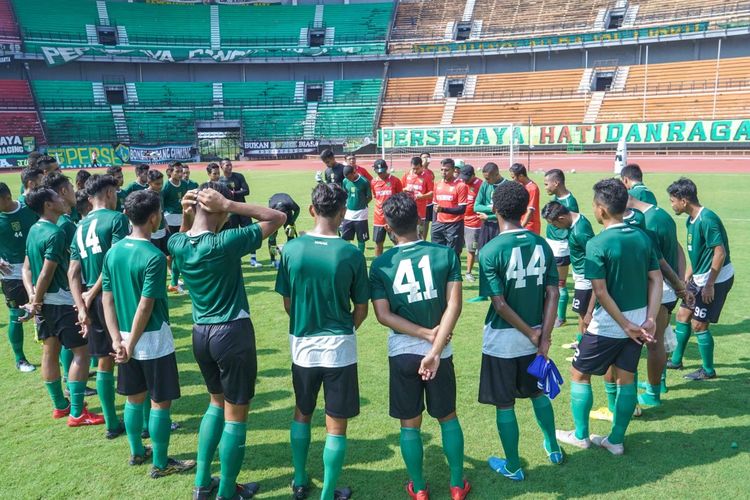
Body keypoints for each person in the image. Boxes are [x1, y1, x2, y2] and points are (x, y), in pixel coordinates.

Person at [171, 182, 284, 500]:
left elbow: (183, 237)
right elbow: (277, 217)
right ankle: (225, 492)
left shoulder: (177, 242)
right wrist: (230, 205)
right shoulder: (226, 242)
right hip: (231, 333)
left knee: (215, 404)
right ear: (218, 209)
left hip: (200, 334)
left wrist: (187, 215)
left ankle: (201, 483)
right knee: (236, 415)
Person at [369, 193, 470, 500]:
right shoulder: (445, 254)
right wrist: (435, 346)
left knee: (410, 424)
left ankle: (420, 488)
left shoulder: (381, 264)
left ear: (387, 226)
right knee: (447, 416)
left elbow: (383, 315)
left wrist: (424, 334)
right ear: (420, 220)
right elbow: (455, 305)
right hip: (440, 352)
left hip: (402, 352)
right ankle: (456, 485)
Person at [275, 183, 369, 500]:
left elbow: (288, 303)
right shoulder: (351, 253)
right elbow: (361, 309)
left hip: (302, 345)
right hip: (339, 348)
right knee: (336, 425)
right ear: (343, 213)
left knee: (302, 412)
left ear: (313, 210)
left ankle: (300, 481)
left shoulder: (291, 250)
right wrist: (343, 328)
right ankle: (328, 493)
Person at [556, 178, 662, 456]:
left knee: (579, 374)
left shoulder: (597, 243)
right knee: (627, 378)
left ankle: (581, 436)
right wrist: (649, 318)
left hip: (610, 325)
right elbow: (656, 279)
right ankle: (615, 440)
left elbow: (600, 292)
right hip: (640, 322)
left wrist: (624, 324)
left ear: (601, 209)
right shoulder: (641, 236)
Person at [102, 189, 195, 476]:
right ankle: (161, 462)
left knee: (133, 399)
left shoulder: (113, 251)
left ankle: (136, 452)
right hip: (152, 339)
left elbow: (107, 298)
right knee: (159, 402)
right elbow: (145, 305)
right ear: (154, 217)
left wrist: (118, 339)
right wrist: (131, 343)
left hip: (124, 337)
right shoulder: (154, 256)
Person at [478, 181, 562, 481]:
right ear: (525, 209)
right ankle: (553, 446)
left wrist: (530, 333)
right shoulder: (541, 243)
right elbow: (553, 293)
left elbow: (499, 304)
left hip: (504, 339)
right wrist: (544, 336)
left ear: (495, 209)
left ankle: (513, 465)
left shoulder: (490, 251)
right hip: (537, 337)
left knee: (505, 403)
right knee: (538, 393)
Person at [22, 187, 105, 426]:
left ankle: (60, 406)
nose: (62, 198)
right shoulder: (56, 233)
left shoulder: (33, 230)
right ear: (48, 205)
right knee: (82, 351)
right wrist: (36, 301)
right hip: (60, 302)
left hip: (44, 304)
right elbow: (47, 272)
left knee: (50, 351)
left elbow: (28, 269)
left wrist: (33, 299)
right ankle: (78, 413)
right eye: (56, 197)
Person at [68, 174, 130, 439]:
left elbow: (72, 271)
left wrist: (81, 304)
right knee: (130, 357)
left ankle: (111, 423)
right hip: (114, 297)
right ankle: (145, 423)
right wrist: (92, 295)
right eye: (115, 192)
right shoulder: (117, 219)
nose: (117, 196)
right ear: (107, 193)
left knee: (104, 361)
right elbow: (113, 262)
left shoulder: (79, 226)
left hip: (89, 300)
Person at [667, 177, 734, 381]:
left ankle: (708, 370)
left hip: (716, 279)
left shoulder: (707, 219)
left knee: (699, 324)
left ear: (684, 200)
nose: (672, 205)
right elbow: (698, 255)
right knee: (681, 316)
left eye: (672, 200)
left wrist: (709, 285)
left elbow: (719, 253)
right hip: (700, 278)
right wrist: (688, 278)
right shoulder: (691, 220)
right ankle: (677, 360)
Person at [627, 196, 688, 405]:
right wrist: (680, 279)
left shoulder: (645, 223)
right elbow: (677, 247)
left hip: (659, 290)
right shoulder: (662, 215)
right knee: (659, 340)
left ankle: (653, 394)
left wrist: (679, 285)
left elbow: (659, 261)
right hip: (668, 289)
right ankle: (658, 383)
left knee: (653, 344)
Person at [541, 202, 595, 350]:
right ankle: (581, 342)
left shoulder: (579, 232)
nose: (555, 228)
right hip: (580, 274)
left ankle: (585, 347)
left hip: (586, 277)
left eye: (554, 224)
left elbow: (594, 254)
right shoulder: (575, 222)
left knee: (585, 313)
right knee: (581, 312)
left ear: (562, 218)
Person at [0, 182, 38, 372]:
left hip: (38, 269)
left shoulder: (28, 208)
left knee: (48, 312)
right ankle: (20, 359)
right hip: (11, 274)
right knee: (16, 315)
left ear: (7, 198)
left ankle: (64, 360)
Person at [543, 169, 579, 328]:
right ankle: (549, 312)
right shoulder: (556, 198)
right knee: (548, 281)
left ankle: (561, 317)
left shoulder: (570, 203)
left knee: (560, 283)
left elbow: (573, 226)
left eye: (546, 184)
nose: (545, 187)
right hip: (550, 243)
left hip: (561, 247)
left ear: (556, 183)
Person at [219, 159, 261, 268]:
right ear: (221, 167)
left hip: (243, 209)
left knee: (250, 232)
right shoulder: (219, 181)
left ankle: (253, 259)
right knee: (233, 235)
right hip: (231, 212)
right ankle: (237, 258)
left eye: (230, 164)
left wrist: (234, 193)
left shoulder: (238, 176)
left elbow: (246, 190)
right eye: (227, 165)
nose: (230, 166)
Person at [432, 159, 468, 257]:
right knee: (437, 254)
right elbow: (435, 207)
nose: (443, 172)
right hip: (439, 225)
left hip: (454, 225)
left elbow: (462, 209)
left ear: (453, 170)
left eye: (446, 170)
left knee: (453, 255)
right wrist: (435, 223)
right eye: (442, 170)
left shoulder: (461, 186)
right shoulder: (437, 185)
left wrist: (443, 209)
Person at [162, 162, 189, 294]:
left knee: (182, 250)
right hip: (170, 220)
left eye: (181, 171)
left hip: (182, 220)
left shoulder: (184, 184)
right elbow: (161, 204)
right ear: (170, 172)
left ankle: (175, 280)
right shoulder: (166, 186)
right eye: (177, 171)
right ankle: (173, 278)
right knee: (173, 252)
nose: (180, 174)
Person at [370, 159, 402, 257]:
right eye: (378, 172)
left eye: (383, 172)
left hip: (392, 217)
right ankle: (378, 263)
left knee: (398, 242)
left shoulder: (395, 180)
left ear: (387, 169)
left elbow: (400, 197)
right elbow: (376, 196)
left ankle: (401, 259)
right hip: (379, 218)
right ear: (375, 170)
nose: (381, 174)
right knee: (378, 243)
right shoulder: (373, 182)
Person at [459, 165, 483, 282]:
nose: (464, 180)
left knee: (471, 249)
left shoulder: (481, 185)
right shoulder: (461, 183)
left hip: (474, 223)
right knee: (457, 247)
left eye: (466, 178)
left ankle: (468, 272)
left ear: (473, 175)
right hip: (459, 220)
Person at [341, 165, 372, 253]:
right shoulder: (345, 181)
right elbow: (345, 193)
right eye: (346, 177)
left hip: (361, 213)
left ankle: (360, 256)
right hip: (349, 213)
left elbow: (369, 197)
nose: (348, 179)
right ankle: (348, 255)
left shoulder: (364, 182)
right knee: (345, 236)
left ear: (354, 172)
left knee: (361, 238)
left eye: (349, 176)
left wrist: (362, 204)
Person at [401, 157, 433, 240]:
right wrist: (405, 189)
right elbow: (400, 189)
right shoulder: (406, 175)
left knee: (420, 234)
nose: (415, 171)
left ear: (422, 166)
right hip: (408, 209)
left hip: (420, 211)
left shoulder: (427, 176)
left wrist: (422, 196)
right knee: (407, 234)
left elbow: (432, 193)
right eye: (413, 168)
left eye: (417, 168)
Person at [268, 192, 300, 269]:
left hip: (288, 215)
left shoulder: (290, 203)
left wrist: (292, 221)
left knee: (290, 232)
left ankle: (290, 257)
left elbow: (297, 209)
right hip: (275, 216)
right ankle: (273, 260)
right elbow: (268, 217)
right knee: (272, 236)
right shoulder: (271, 207)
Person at [509, 163, 540, 234]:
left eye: (513, 177)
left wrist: (521, 228)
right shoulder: (521, 185)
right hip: (521, 224)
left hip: (530, 227)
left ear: (521, 176)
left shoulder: (532, 188)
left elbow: (530, 211)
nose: (513, 180)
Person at [146, 170, 169, 256]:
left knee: (167, 255)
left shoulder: (160, 193)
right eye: (157, 184)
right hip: (152, 234)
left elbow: (161, 211)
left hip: (163, 231)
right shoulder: (144, 196)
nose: (160, 186)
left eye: (161, 183)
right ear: (149, 182)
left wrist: (165, 224)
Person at [420, 152, 435, 237]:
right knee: (420, 223)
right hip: (421, 203)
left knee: (426, 223)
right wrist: (423, 166)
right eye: (424, 157)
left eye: (428, 157)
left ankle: (424, 241)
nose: (426, 159)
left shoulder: (431, 172)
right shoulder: (419, 171)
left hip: (429, 202)